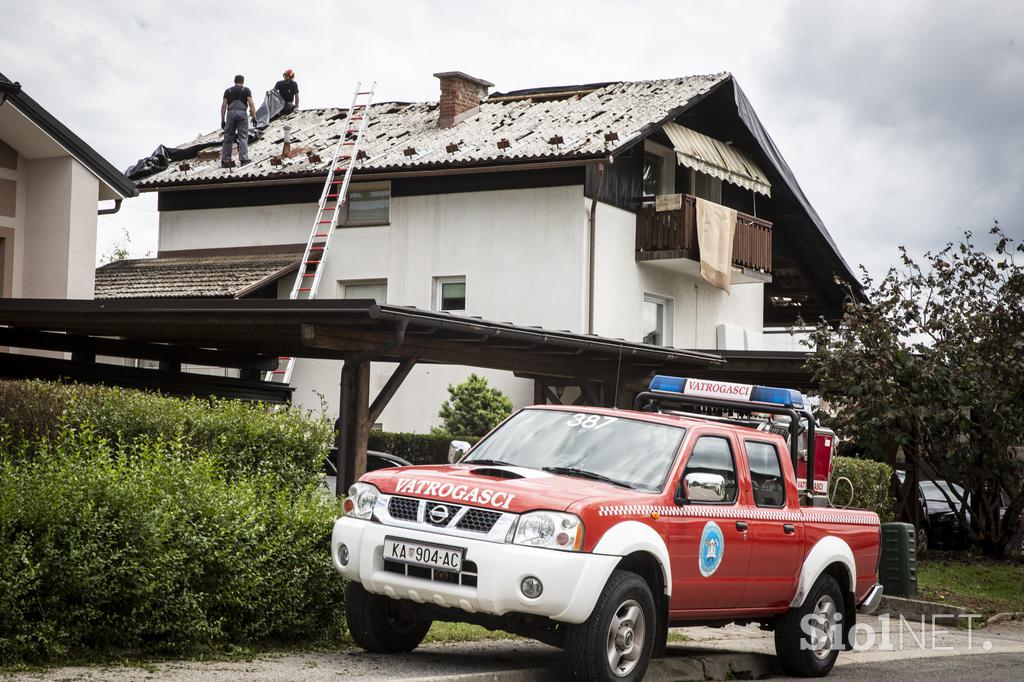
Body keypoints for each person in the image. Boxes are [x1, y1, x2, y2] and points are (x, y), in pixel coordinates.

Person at [220, 74, 258, 166]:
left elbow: (224, 106)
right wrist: (254, 117)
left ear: (234, 81)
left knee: (228, 137)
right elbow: (251, 104)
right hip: (242, 114)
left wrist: (222, 120)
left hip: (230, 114)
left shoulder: (228, 91)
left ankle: (226, 160)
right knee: (243, 137)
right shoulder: (246, 90)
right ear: (243, 82)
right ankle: (244, 159)